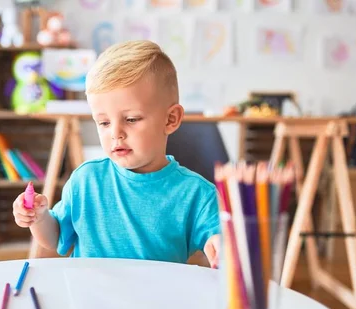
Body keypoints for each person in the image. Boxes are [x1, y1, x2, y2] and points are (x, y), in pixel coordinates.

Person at [12, 40, 221, 267]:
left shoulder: (196, 194)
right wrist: (39, 218)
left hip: (155, 300)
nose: (116, 133)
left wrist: (220, 244)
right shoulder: (86, 180)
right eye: (103, 122)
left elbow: (221, 239)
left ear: (170, 119)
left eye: (131, 119)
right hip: (91, 298)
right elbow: (53, 239)